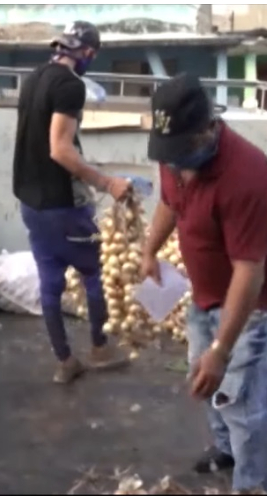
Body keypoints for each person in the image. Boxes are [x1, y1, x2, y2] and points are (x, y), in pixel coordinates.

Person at [141, 73, 267, 493]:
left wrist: (222, 348)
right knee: (203, 376)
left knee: (241, 402)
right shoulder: (173, 150)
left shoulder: (248, 174)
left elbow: (250, 270)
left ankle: (251, 484)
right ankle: (226, 449)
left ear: (208, 129)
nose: (174, 165)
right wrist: (148, 250)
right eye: (168, 155)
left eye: (181, 153)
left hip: (248, 308)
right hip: (203, 295)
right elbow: (168, 201)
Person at [12, 21, 132, 383]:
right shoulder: (70, 86)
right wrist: (106, 182)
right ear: (88, 54)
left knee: (50, 281)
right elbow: (60, 149)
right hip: (61, 205)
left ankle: (65, 362)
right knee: (94, 271)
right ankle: (98, 348)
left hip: (30, 203)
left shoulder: (33, 78)